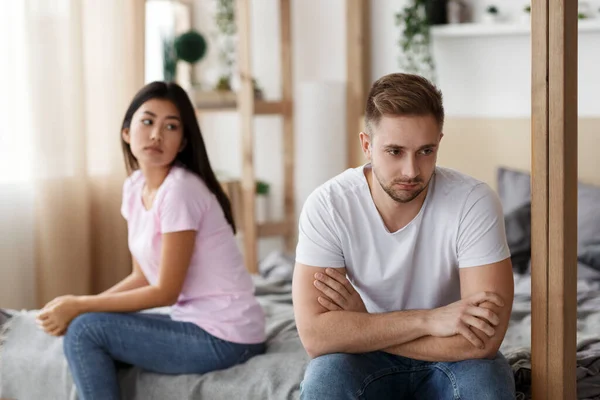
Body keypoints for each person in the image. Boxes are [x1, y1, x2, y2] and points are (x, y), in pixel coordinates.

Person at [35, 81, 266, 400]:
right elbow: (142, 276)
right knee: (87, 324)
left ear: (183, 142)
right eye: (147, 121)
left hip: (225, 337)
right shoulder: (135, 188)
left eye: (171, 126)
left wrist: (81, 305)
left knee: (85, 332)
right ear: (126, 132)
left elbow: (165, 291)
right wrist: (81, 308)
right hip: (196, 324)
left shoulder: (180, 191)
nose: (157, 134)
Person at [292, 73, 516, 399]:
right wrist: (428, 320)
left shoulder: (473, 201)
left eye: (425, 151)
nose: (412, 171)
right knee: (324, 382)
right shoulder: (328, 205)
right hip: (367, 357)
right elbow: (316, 338)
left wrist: (362, 325)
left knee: (488, 386)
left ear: (439, 141)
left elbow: (482, 341)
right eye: (395, 152)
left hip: (456, 358)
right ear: (367, 145)